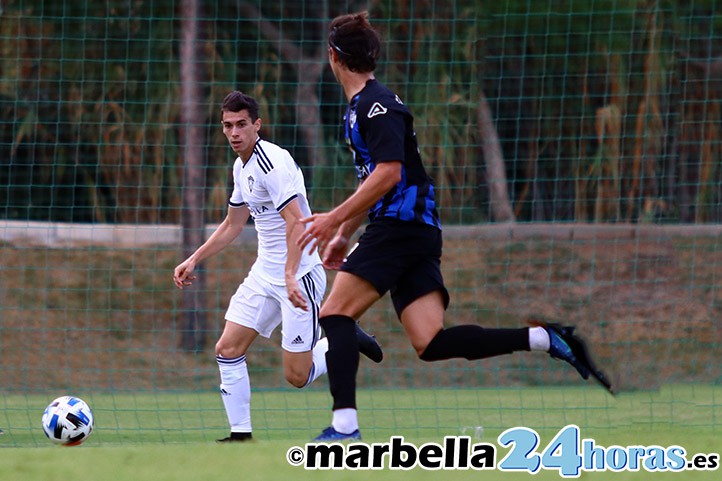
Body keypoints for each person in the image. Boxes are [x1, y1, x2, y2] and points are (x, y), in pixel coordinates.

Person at [298, 12, 612, 442]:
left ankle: (344, 427)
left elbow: (389, 173)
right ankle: (546, 338)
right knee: (430, 343)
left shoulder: (377, 106)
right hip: (414, 231)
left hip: (399, 228)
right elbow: (372, 179)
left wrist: (334, 218)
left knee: (333, 313)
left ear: (333, 57)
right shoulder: (359, 109)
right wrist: (343, 232)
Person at [173, 91, 382, 443]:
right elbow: (232, 225)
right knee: (227, 349)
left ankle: (341, 338)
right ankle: (240, 436)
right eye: (228, 126)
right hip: (264, 274)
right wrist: (194, 258)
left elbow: (297, 222)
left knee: (297, 377)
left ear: (257, 125)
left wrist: (289, 274)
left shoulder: (272, 162)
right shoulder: (241, 167)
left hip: (298, 274)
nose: (234, 132)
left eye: (242, 124)